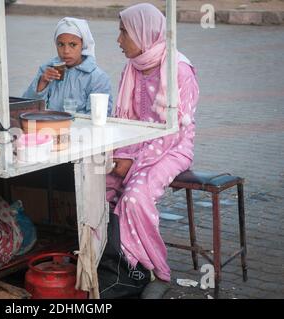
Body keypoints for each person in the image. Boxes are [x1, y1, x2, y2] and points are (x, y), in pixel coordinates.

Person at [102, 3, 199, 297]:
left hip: (172, 150)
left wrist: (133, 162)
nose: (119, 40)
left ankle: (158, 270)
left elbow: (176, 131)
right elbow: (124, 121)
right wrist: (122, 155)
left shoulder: (179, 70)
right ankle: (114, 266)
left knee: (134, 196)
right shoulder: (133, 67)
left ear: (143, 33)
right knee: (101, 188)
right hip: (136, 150)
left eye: (123, 32)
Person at [23, 17, 112, 115]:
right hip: (50, 127)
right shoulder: (47, 70)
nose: (66, 51)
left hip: (81, 129)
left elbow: (98, 116)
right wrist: (42, 83)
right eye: (60, 44)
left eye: (73, 45)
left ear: (83, 45)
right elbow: (26, 108)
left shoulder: (97, 78)